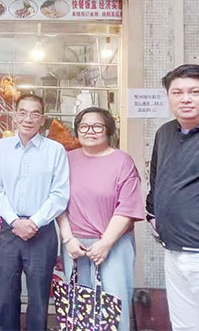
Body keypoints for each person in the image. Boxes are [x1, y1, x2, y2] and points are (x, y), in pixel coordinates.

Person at [56, 107, 144, 331]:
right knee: (79, 309)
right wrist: (68, 239)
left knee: (113, 307)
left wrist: (105, 244)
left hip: (114, 244)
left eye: (97, 126)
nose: (90, 131)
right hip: (76, 246)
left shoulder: (122, 161)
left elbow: (127, 207)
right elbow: (58, 202)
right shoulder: (67, 160)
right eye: (84, 126)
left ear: (108, 130)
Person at [0, 93, 69, 331]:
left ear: (42, 119)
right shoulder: (0, 148)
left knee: (39, 297)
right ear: (14, 116)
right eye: (22, 112)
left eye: (35, 114)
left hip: (42, 231)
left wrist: (34, 222)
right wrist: (15, 221)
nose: (28, 119)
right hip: (9, 230)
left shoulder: (55, 150)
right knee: (6, 295)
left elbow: (59, 194)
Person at [145, 64, 199, 331]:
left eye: (194, 92)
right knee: (185, 325)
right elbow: (156, 179)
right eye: (177, 93)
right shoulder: (165, 133)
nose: (185, 99)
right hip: (174, 251)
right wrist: (153, 215)